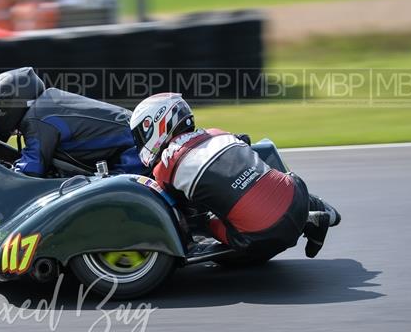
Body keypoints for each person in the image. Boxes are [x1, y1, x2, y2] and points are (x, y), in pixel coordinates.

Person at [130, 92, 341, 259]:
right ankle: (313, 211)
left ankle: (303, 220)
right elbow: (244, 143)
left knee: (199, 222)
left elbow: (173, 211)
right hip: (296, 193)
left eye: (142, 133)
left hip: (259, 236)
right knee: (264, 178)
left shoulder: (164, 166)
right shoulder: (216, 132)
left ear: (157, 123)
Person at [0, 67, 144, 178]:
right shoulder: (48, 104)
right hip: (137, 144)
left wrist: (5, 176)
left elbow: (32, 169)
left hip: (132, 154)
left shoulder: (37, 118)